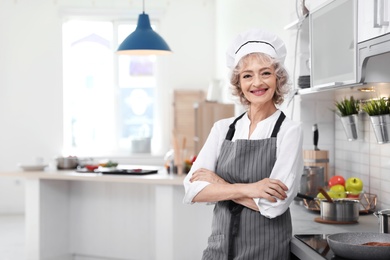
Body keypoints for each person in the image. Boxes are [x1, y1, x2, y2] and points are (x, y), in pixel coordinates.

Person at [183, 28, 303, 260]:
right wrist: (249, 189)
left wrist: (218, 185)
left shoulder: (290, 130)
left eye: (265, 73)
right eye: (247, 75)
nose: (257, 83)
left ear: (278, 79)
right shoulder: (223, 128)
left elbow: (273, 206)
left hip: (266, 250)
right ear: (239, 83)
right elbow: (192, 189)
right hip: (219, 248)